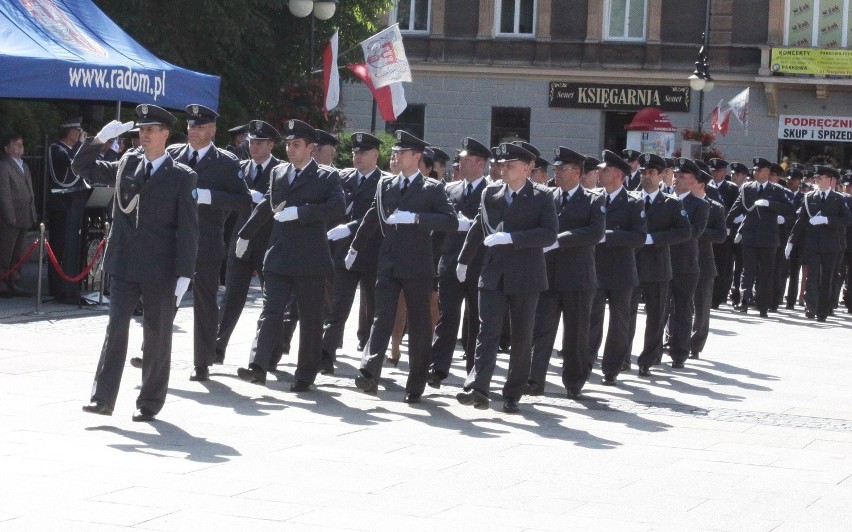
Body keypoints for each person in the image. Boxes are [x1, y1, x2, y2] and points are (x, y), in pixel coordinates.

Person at [74, 105, 198, 422]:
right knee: (116, 329)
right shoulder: (127, 163)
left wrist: (184, 273)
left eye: (151, 129)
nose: (144, 135)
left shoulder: (182, 176)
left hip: (160, 268)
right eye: (141, 130)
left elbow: (188, 229)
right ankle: (102, 398)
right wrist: (100, 139)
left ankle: (150, 401)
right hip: (124, 263)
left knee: (156, 336)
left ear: (166, 134)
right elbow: (81, 167)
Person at [235, 119, 345, 391]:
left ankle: (305, 375)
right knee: (270, 313)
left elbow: (337, 208)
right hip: (280, 255)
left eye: (297, 144)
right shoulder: (279, 173)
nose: (291, 149)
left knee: (310, 319)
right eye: (288, 144)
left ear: (310, 148)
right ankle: (258, 366)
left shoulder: (326, 177)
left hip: (310, 260)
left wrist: (303, 212)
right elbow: (267, 206)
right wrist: (245, 234)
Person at [348, 130, 457, 403]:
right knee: (381, 317)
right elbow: (373, 216)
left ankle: (416, 383)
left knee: (420, 325)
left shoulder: (432, 188)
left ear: (417, 156)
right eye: (395, 152)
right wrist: (355, 246)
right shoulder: (386, 185)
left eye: (402, 152)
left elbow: (450, 222)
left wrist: (418, 218)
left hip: (418, 266)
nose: (395, 155)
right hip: (388, 261)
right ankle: (369, 371)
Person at [454, 142, 556, 413]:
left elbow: (549, 234)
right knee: (487, 332)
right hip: (494, 273)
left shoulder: (542, 196)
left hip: (526, 275)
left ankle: (512, 392)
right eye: (502, 165)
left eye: (510, 165)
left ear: (527, 167)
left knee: (522, 336)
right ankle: (478, 387)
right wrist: (464, 258)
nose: (504, 169)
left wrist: (512, 238)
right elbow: (478, 225)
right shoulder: (491, 193)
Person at [167, 104, 251, 382]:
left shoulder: (226, 162)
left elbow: (243, 201)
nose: (193, 131)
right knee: (162, 297)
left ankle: (202, 361)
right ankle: (152, 350)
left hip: (206, 239)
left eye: (200, 126)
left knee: (204, 300)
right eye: (191, 126)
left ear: (213, 129)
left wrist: (209, 197)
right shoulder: (173, 155)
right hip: (172, 238)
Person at [528, 147, 604, 398]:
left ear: (578, 173)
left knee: (576, 333)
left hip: (578, 279)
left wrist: (560, 240)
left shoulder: (593, 200)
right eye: (556, 169)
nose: (557, 173)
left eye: (563, 169)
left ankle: (574, 381)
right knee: (541, 331)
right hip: (548, 276)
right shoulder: (547, 197)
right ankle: (534, 380)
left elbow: (596, 232)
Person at [320, 132, 390, 374]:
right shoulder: (342, 178)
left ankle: (370, 363)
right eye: (354, 152)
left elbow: (378, 216)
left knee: (374, 310)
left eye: (363, 152)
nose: (357, 156)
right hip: (343, 253)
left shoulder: (385, 182)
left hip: (372, 253)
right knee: (336, 308)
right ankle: (325, 357)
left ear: (375, 154)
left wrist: (349, 228)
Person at [215, 120, 281, 363]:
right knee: (232, 297)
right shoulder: (239, 169)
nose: (254, 147)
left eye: (260, 142)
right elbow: (227, 200)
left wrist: (261, 198)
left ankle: (269, 353)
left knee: (272, 300)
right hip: (239, 242)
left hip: (268, 244)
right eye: (252, 142)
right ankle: (217, 346)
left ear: (271, 145)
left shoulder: (280, 170)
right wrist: (243, 198)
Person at [427, 136, 491, 388]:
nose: (459, 163)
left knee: (476, 320)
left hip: (478, 265)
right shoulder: (450, 189)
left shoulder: (491, 191)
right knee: (447, 317)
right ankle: (438, 367)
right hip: (451, 263)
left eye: (463, 159)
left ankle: (473, 372)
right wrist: (433, 263)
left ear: (478, 163)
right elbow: (439, 230)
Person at [625, 153, 690, 377]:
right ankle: (622, 356)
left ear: (661, 175)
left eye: (651, 172)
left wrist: (654, 238)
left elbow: (684, 232)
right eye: (643, 172)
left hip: (657, 266)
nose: (646, 176)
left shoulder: (671, 203)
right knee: (625, 314)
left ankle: (648, 358)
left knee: (656, 316)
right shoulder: (630, 198)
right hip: (630, 265)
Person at [588, 150, 646, 386]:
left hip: (621, 271)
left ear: (619, 175)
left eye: (606, 170)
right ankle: (586, 360)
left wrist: (607, 236)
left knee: (619, 322)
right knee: (592, 319)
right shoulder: (594, 198)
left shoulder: (634, 202)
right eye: (600, 169)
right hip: (595, 269)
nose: (600, 173)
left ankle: (611, 367)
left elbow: (639, 238)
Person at [727, 158, 794, 317]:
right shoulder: (747, 188)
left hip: (768, 238)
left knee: (766, 273)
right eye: (755, 170)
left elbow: (789, 210)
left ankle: (763, 306)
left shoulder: (777, 190)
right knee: (747, 271)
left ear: (767, 172)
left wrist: (770, 204)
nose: (755, 172)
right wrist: (727, 225)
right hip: (750, 236)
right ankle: (744, 302)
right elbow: (736, 208)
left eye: (759, 170)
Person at [786, 166, 851, 321]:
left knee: (827, 279)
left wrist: (827, 220)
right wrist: (791, 241)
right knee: (812, 277)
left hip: (831, 245)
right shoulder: (809, 197)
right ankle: (810, 308)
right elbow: (800, 221)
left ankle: (822, 311)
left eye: (821, 177)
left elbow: (847, 220)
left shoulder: (839, 199)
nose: (818, 180)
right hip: (813, 245)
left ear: (830, 180)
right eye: (817, 177)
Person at [665, 159, 709, 368]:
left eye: (682, 176)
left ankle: (680, 352)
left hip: (685, 264)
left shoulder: (700, 205)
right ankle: (657, 349)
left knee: (683, 309)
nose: (676, 179)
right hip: (662, 262)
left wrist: (666, 234)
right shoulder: (663, 201)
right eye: (676, 175)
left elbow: (693, 232)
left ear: (693, 183)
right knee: (659, 310)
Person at [46, 116, 88, 303]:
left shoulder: (71, 150)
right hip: (61, 207)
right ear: (69, 132)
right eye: (76, 131)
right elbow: (71, 165)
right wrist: (80, 146)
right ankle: (58, 288)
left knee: (71, 248)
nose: (79, 134)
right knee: (60, 248)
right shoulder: (56, 149)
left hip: (73, 206)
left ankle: (71, 285)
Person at [691, 178, 727, 359]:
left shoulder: (715, 207)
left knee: (702, 306)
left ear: (701, 185)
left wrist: (696, 231)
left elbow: (721, 235)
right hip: (681, 260)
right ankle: (672, 339)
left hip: (704, 261)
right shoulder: (680, 203)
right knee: (676, 305)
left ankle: (696, 344)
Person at [0, 133, 37, 297]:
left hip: (24, 215)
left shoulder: (25, 165)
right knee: (5, 251)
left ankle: (13, 281)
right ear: (7, 149)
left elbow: (29, 191)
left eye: (21, 144)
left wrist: (33, 212)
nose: (20, 147)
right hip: (11, 217)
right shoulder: (4, 166)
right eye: (16, 144)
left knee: (19, 252)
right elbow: (4, 193)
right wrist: (9, 215)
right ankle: (2, 283)